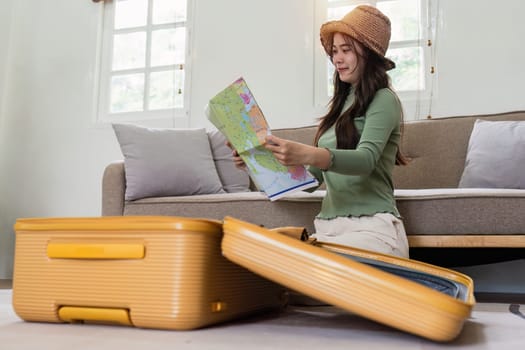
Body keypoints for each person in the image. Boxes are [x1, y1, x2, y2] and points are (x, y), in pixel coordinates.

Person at [233, 5, 410, 258]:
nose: (337, 59)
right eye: (335, 51)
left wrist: (307, 153)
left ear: (369, 54)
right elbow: (309, 181)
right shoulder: (340, 106)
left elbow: (366, 160)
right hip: (329, 229)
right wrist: (254, 161)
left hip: (372, 228)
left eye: (346, 50)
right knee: (272, 267)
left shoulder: (384, 99)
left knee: (308, 276)